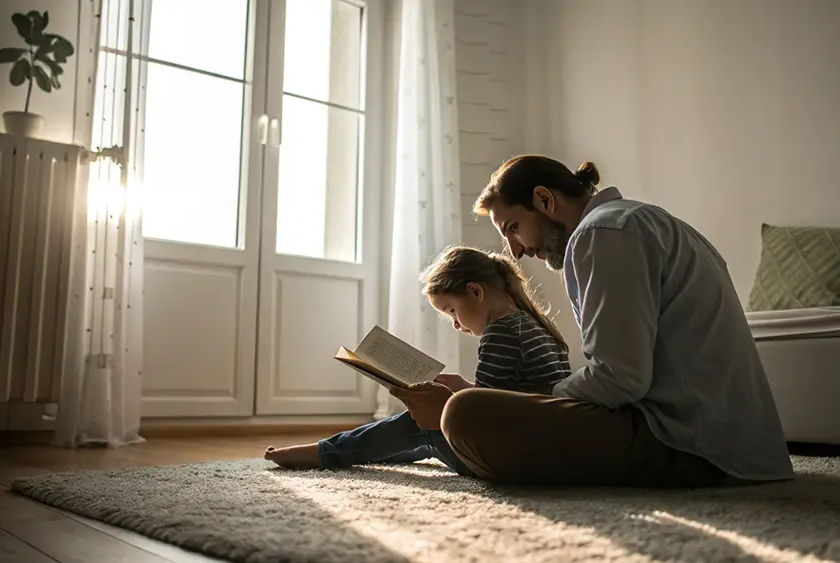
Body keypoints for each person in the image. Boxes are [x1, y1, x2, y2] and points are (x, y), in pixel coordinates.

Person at [391, 155, 796, 487]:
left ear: (544, 200)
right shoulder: (635, 221)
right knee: (469, 407)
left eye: (513, 227)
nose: (514, 251)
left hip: (694, 444)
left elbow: (619, 380)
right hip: (720, 437)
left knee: (463, 414)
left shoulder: (603, 233)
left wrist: (526, 398)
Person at [264, 246, 572, 473]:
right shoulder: (535, 324)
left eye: (452, 310)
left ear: (476, 292)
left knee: (419, 426)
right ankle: (348, 451)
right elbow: (516, 399)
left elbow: (483, 417)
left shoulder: (500, 333)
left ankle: (326, 452)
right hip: (541, 450)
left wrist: (447, 403)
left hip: (510, 462)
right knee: (421, 439)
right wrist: (463, 387)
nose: (455, 324)